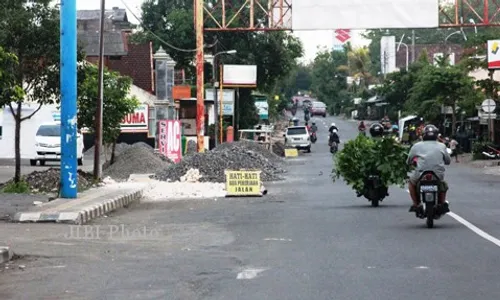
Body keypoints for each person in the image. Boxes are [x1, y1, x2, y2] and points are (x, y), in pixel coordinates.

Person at [407, 125, 451, 216]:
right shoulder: (442, 146)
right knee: (443, 185)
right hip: (438, 174)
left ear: (423, 135)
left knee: (411, 184)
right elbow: (448, 161)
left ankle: (415, 204)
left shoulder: (416, 146)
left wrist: (411, 163)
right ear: (436, 135)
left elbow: (408, 160)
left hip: (420, 173)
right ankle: (442, 203)